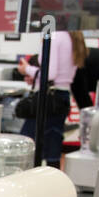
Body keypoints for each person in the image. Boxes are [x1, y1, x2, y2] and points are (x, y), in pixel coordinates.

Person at [17, 29, 84, 167]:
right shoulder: (72, 38)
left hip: (47, 99)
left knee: (26, 145)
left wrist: (27, 69)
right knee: (52, 150)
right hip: (61, 98)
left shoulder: (55, 36)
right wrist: (35, 78)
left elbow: (50, 74)